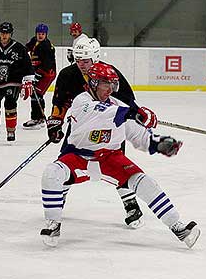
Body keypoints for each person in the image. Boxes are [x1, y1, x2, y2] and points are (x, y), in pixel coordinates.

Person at [40, 62, 200, 248]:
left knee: (145, 182)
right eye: (105, 84)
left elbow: (138, 135)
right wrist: (133, 112)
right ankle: (53, 224)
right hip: (78, 157)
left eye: (113, 84)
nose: (110, 89)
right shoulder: (81, 102)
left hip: (110, 158)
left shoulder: (118, 105)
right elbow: (102, 113)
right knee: (51, 173)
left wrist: (159, 144)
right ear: (92, 83)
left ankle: (179, 227)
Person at [46, 37, 156, 229]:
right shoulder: (67, 74)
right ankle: (59, 197)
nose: (81, 65)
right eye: (78, 60)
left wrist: (137, 115)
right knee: (65, 162)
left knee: (118, 166)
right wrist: (56, 122)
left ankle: (131, 205)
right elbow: (60, 102)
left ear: (95, 58)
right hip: (82, 128)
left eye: (85, 61)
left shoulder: (109, 73)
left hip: (111, 127)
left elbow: (127, 100)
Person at [0, 22, 34, 142]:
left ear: (11, 34)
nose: (4, 36)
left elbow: (28, 66)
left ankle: (10, 131)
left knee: (10, 104)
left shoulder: (19, 48)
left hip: (13, 81)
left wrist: (28, 81)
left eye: (7, 33)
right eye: (2, 33)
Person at [22, 23, 57, 129]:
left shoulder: (47, 46)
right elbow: (26, 48)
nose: (40, 36)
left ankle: (38, 118)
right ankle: (39, 118)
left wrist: (37, 75)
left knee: (37, 93)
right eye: (38, 33)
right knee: (35, 93)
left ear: (46, 34)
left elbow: (47, 65)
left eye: (42, 34)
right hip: (38, 71)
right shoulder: (34, 40)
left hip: (47, 74)